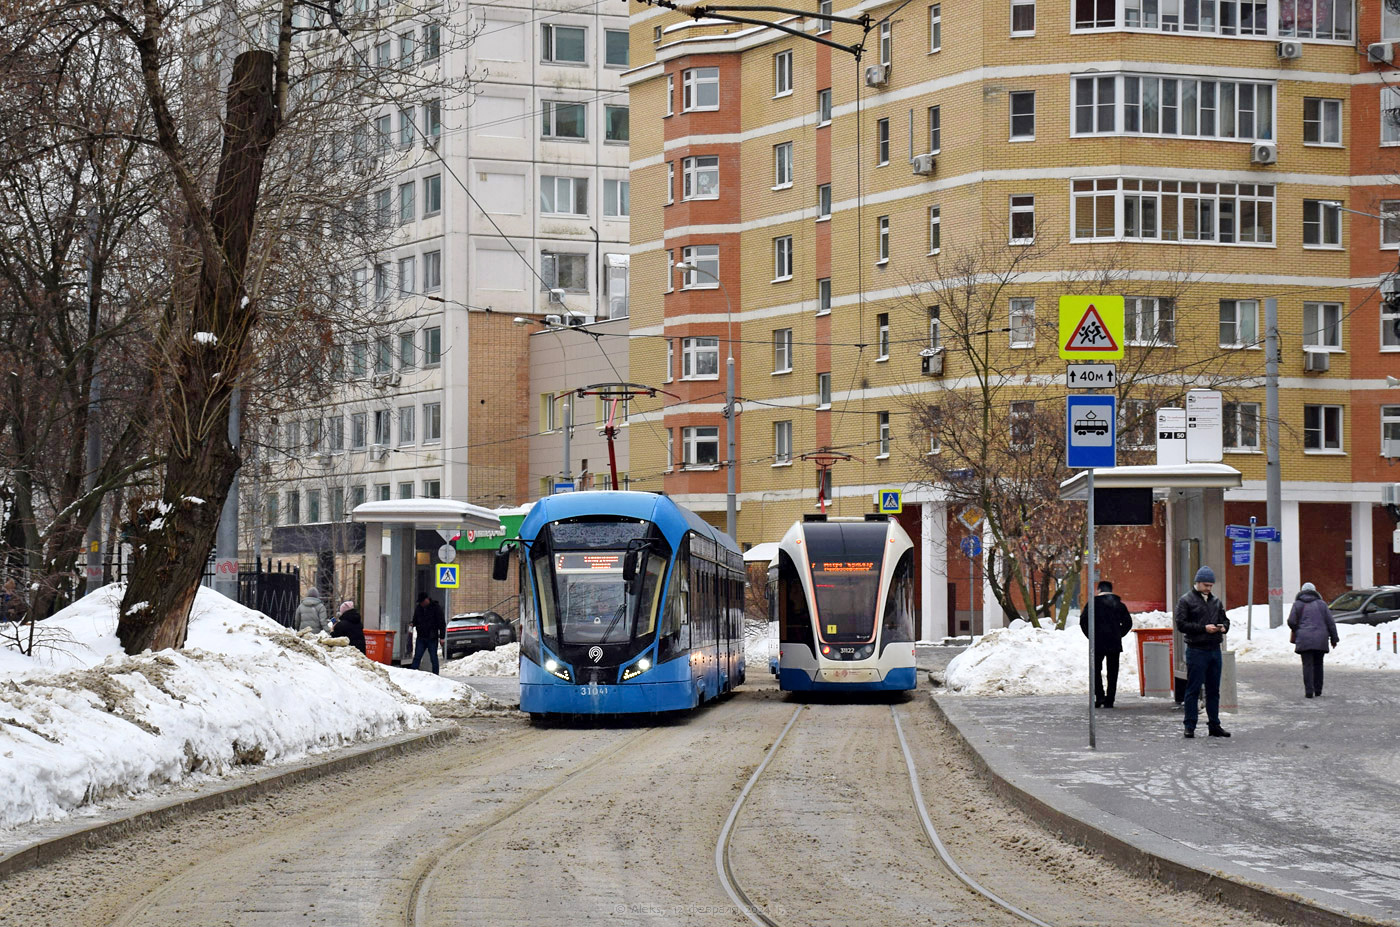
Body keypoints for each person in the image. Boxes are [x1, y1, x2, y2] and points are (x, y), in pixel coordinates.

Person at [1174, 566, 1231, 739]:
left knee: (1214, 690)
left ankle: (1214, 725)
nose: (1208, 588)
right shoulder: (1186, 600)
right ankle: (1189, 726)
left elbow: (1225, 620)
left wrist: (1223, 627)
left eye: (1211, 585)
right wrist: (1203, 628)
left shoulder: (1215, 601)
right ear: (1197, 583)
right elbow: (1181, 624)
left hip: (1214, 649)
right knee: (1193, 688)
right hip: (1196, 650)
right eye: (1206, 585)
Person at [1081, 580, 1134, 708]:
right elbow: (1128, 623)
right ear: (1111, 590)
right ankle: (1110, 699)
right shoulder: (1119, 605)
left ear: (1098, 590)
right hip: (1114, 643)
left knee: (1095, 670)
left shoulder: (1092, 604)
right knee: (1113, 671)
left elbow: (1083, 622)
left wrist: (1091, 636)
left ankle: (1099, 696)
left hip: (1097, 643)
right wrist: (1118, 634)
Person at [1287, 582, 1339, 699]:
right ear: (1315, 591)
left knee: (1307, 665)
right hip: (1320, 638)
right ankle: (1318, 690)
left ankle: (1309, 691)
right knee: (1318, 664)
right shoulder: (1322, 604)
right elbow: (1330, 623)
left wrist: (1298, 630)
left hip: (1304, 638)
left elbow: (1291, 621)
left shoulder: (1297, 604)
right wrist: (1334, 639)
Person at [410, 592, 446, 674]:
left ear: (426, 600)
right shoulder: (419, 608)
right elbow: (415, 619)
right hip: (421, 636)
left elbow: (441, 623)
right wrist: (412, 623)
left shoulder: (436, 607)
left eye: (422, 602)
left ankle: (435, 674)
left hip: (432, 637)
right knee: (417, 657)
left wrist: (442, 637)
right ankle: (412, 674)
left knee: (433, 657)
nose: (421, 604)